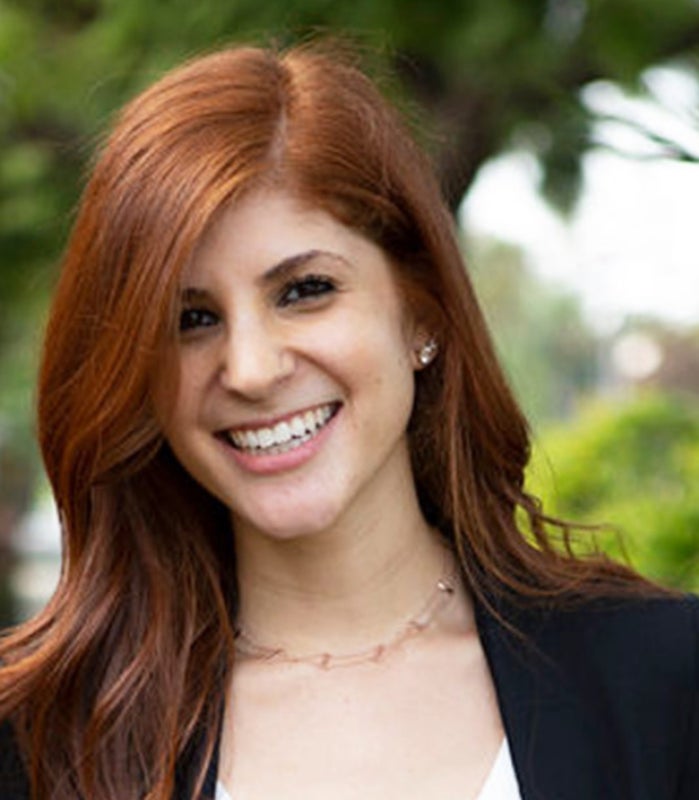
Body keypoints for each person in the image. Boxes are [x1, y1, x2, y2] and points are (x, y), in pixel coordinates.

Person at [0, 41, 697, 800]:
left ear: (422, 313)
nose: (251, 369)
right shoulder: (41, 738)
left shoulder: (663, 680)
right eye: (191, 319)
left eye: (304, 290)